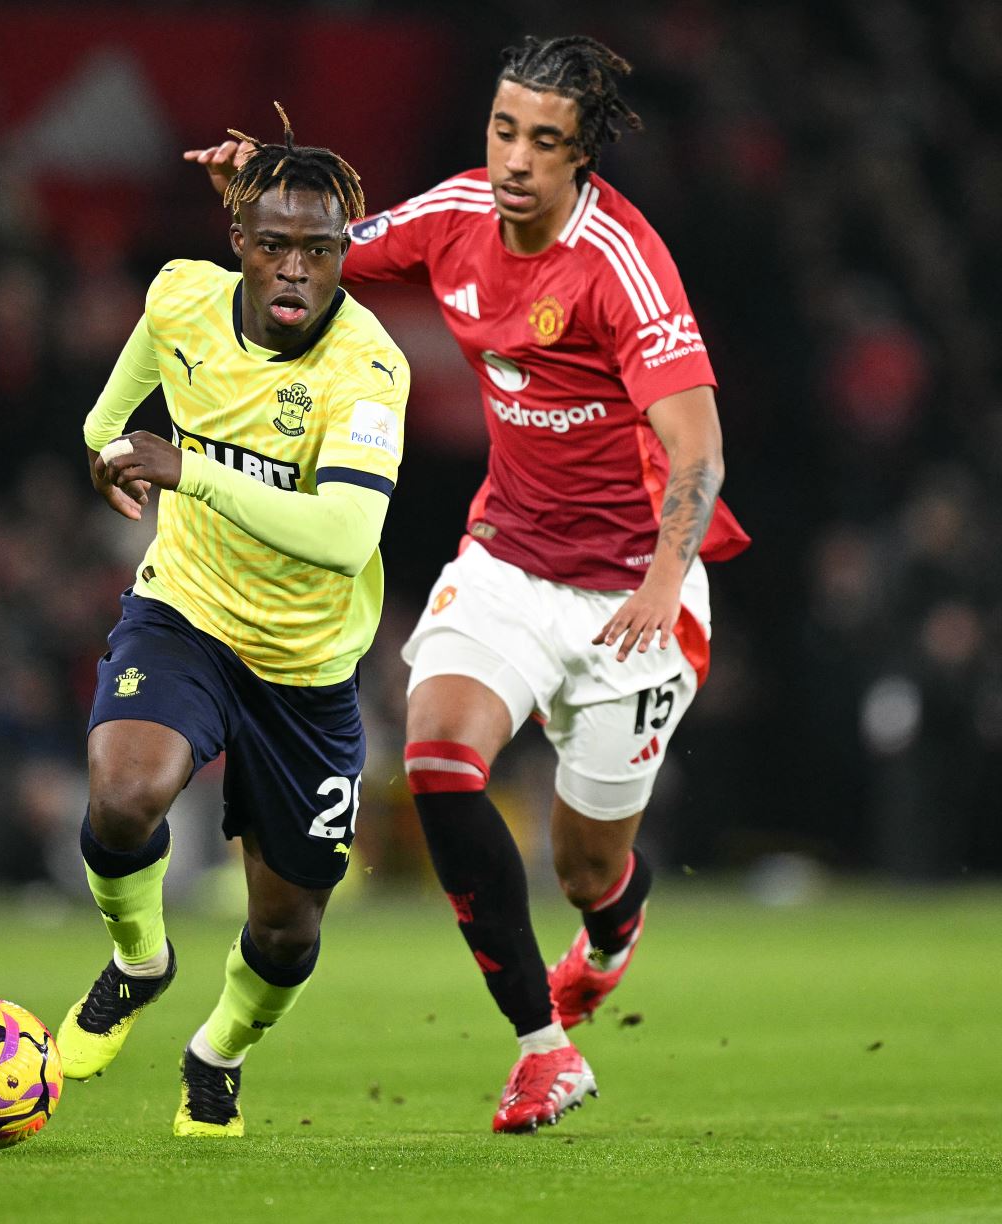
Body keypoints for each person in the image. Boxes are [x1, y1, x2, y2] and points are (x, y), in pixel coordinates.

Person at [186, 37, 748, 1133]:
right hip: (506, 561)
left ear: (583, 156)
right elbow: (325, 248)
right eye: (504, 129)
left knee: (587, 864)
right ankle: (544, 1049)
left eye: (545, 140)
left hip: (633, 595)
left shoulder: (621, 266)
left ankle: (617, 920)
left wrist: (662, 582)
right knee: (439, 753)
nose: (516, 158)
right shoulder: (453, 218)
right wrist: (262, 189)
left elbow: (697, 449)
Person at [64, 105, 409, 1138]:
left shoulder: (369, 370)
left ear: (344, 254)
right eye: (276, 247)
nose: (297, 270)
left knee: (288, 931)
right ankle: (139, 961)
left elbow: (346, 534)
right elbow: (109, 419)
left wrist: (192, 468)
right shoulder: (180, 301)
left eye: (320, 249)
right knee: (125, 793)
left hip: (305, 670)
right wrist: (103, 450)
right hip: (187, 613)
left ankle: (215, 1052)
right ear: (241, 249)